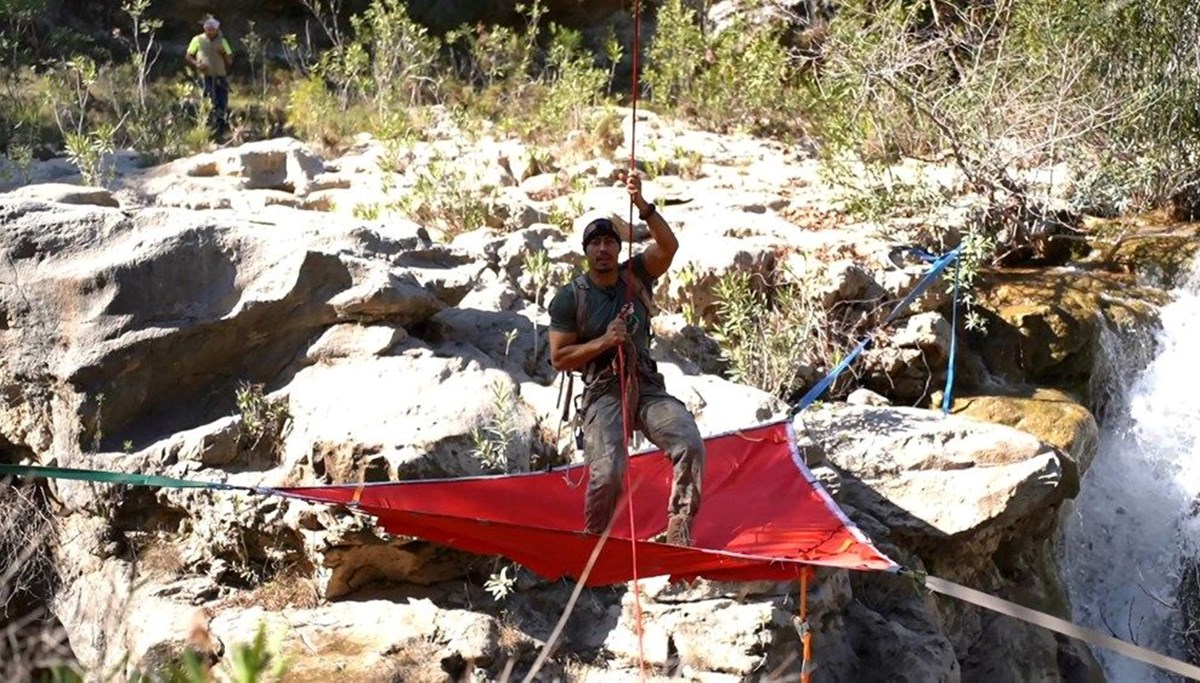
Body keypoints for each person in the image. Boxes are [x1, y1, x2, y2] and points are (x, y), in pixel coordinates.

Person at [548, 174, 706, 547]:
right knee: (609, 470)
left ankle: (678, 529)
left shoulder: (635, 277)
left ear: (618, 249)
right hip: (603, 390)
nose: (603, 249)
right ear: (586, 251)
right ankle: (594, 539)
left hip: (646, 384)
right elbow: (559, 358)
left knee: (688, 442)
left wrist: (643, 207)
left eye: (609, 242)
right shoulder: (570, 298)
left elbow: (669, 247)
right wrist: (604, 341)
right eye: (596, 243)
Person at [185, 17, 234, 138]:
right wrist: (197, 64)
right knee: (209, 103)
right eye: (208, 29)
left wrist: (223, 53)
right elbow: (188, 56)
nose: (211, 32)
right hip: (205, 77)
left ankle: (220, 132)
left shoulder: (222, 41)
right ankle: (207, 131)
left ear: (217, 30)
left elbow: (230, 60)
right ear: (204, 29)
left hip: (220, 77)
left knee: (221, 104)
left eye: (213, 29)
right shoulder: (197, 40)